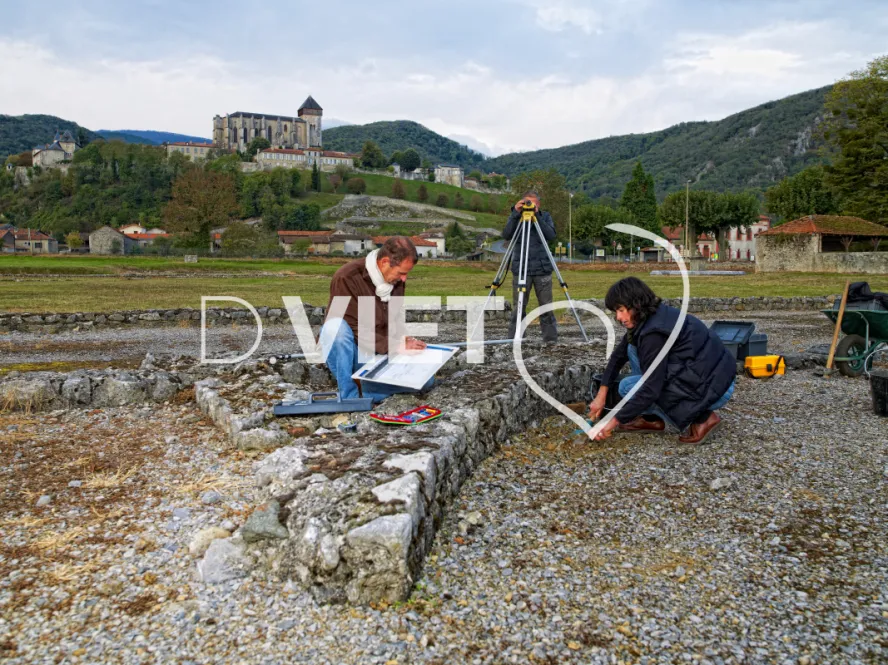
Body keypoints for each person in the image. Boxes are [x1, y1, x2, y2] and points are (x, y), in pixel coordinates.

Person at [588, 277, 736, 445]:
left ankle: (704, 418)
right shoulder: (652, 316)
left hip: (716, 387)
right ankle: (652, 419)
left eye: (621, 310)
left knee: (627, 388)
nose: (619, 317)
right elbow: (618, 356)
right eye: (616, 312)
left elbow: (652, 389)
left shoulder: (653, 333)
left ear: (635, 303)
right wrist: (602, 394)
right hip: (715, 375)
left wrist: (612, 422)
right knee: (631, 348)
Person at [319, 236, 432, 404]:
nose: (404, 279)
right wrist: (394, 346)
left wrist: (403, 341)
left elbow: (395, 317)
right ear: (385, 262)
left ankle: (365, 389)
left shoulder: (395, 281)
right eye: (402, 273)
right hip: (353, 352)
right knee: (335, 328)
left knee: (427, 381)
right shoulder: (346, 277)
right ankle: (349, 395)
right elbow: (351, 325)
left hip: (378, 353)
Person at [502, 190, 557, 343]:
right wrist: (515, 213)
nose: (530, 206)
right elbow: (506, 235)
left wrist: (537, 217)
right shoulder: (516, 217)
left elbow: (551, 235)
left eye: (533, 203)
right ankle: (515, 339)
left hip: (542, 268)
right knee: (518, 308)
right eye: (527, 202)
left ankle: (550, 340)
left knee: (546, 308)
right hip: (521, 269)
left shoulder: (544, 217)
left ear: (538, 204)